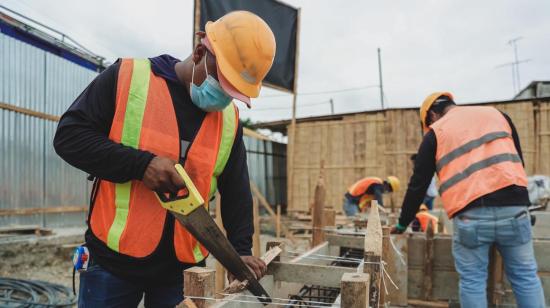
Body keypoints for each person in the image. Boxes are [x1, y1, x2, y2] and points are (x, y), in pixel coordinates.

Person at [54, 11, 276, 308]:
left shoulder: (229, 121)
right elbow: (69, 137)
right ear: (199, 52)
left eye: (232, 92)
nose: (224, 97)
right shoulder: (128, 78)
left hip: (183, 272)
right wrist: (140, 164)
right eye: (222, 83)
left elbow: (235, 189)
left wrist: (241, 250)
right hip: (111, 264)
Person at [391, 92, 545, 307]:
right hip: (514, 209)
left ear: (433, 116)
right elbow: (517, 160)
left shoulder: (436, 133)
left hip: (471, 216)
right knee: (526, 276)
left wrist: (402, 223)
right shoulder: (498, 115)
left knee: (473, 281)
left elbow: (418, 184)